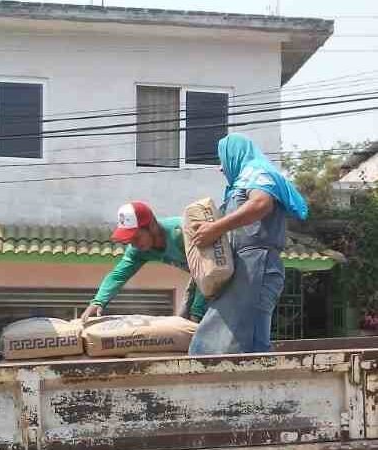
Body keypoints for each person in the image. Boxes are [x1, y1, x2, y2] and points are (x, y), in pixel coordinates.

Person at [188, 133, 308, 355]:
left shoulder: (258, 172)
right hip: (244, 268)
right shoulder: (244, 181)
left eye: (222, 160)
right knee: (215, 342)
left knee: (246, 347)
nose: (221, 168)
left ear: (234, 155)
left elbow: (261, 204)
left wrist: (216, 228)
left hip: (257, 267)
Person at [80, 201, 207, 322]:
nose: (134, 244)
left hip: (212, 271)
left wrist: (197, 312)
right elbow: (118, 275)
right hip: (200, 277)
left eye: (136, 237)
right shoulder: (138, 250)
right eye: (130, 240)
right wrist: (98, 301)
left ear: (152, 226)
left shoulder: (180, 233)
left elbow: (206, 269)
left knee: (200, 321)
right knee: (184, 322)